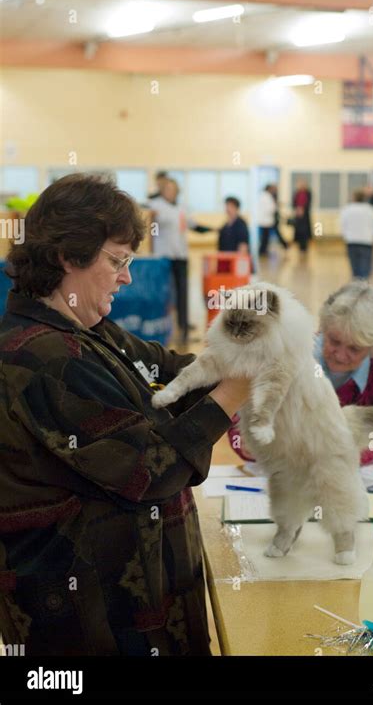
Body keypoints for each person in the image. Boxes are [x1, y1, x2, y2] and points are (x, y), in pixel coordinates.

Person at [0, 173, 250, 656]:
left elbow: (172, 372)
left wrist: (248, 353)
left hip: (134, 608)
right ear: (67, 257)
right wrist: (236, 393)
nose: (127, 277)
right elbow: (151, 468)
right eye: (117, 261)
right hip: (88, 620)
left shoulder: (89, 330)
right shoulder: (43, 358)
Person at [228, 280, 373, 468]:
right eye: (334, 341)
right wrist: (246, 441)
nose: (341, 355)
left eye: (355, 348)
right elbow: (238, 414)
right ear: (322, 329)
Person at [149, 179, 210, 344]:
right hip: (163, 256)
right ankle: (161, 323)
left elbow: (193, 225)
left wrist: (214, 229)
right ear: (162, 190)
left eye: (173, 189)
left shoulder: (182, 207)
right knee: (165, 292)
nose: (170, 191)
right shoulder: (155, 206)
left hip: (181, 255)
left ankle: (183, 324)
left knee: (183, 292)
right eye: (167, 189)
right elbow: (149, 226)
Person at [340, 189, 373, 278]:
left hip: (351, 242)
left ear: (353, 198)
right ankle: (364, 286)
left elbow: (342, 227)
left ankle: (357, 285)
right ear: (365, 198)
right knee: (365, 269)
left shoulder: (347, 209)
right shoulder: (371, 210)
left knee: (355, 269)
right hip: (367, 243)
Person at [292, 179, 312, 252]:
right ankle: (300, 246)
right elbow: (294, 202)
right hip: (298, 215)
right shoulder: (296, 193)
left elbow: (308, 203)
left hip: (305, 215)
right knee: (299, 231)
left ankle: (304, 246)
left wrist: (303, 209)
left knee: (305, 231)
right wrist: (297, 209)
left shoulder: (308, 193)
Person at [258, 184, 277, 256]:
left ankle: (263, 250)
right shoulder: (267, 196)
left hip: (263, 220)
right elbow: (271, 208)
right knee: (265, 238)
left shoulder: (262, 196)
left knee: (264, 237)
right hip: (266, 220)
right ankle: (262, 251)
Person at [267, 184, 288, 251]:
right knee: (274, 232)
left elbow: (274, 206)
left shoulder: (274, 196)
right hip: (271, 217)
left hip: (274, 217)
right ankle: (284, 244)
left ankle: (285, 244)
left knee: (276, 231)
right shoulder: (269, 196)